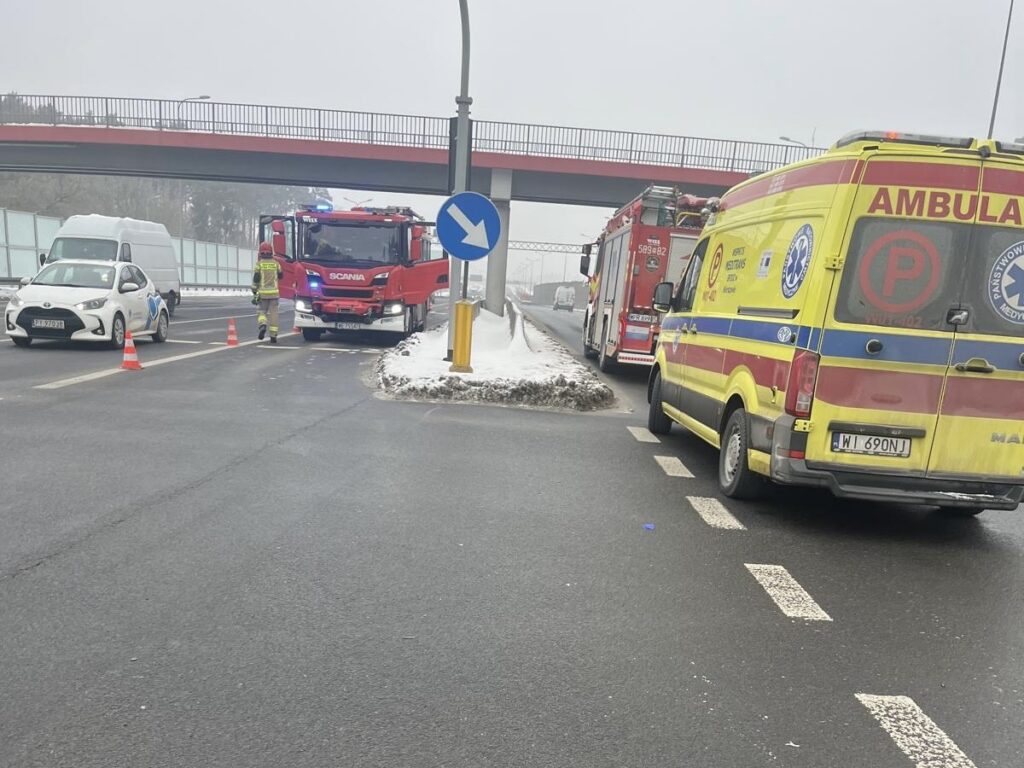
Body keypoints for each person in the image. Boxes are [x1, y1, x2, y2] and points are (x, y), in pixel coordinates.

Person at [252, 242, 283, 343]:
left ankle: (262, 325)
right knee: (274, 314)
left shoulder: (259, 264)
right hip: (274, 294)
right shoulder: (276, 264)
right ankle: (273, 335)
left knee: (261, 311)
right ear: (271, 252)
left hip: (263, 293)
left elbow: (256, 279)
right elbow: (281, 276)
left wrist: (254, 290)